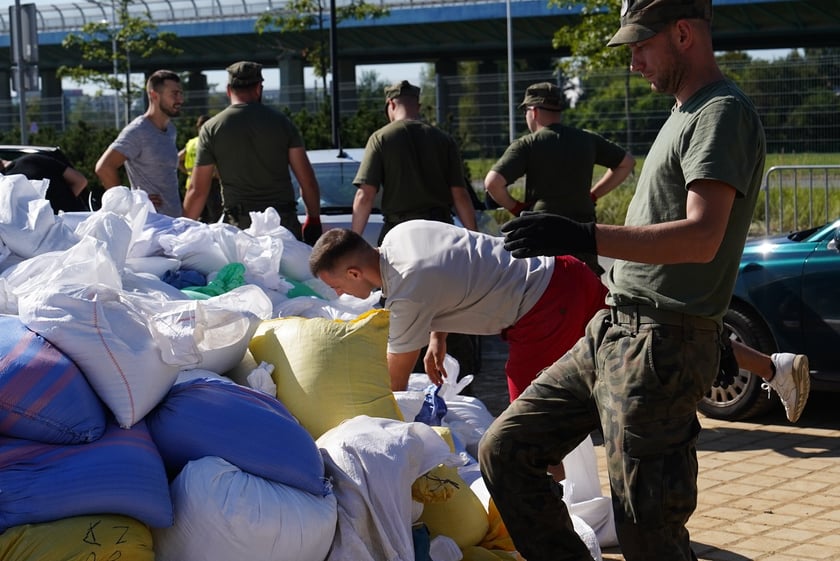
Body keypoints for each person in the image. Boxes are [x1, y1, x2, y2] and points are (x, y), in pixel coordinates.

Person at [476, 2, 808, 560]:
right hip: (614, 328)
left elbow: (702, 237)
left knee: (647, 533)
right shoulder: (685, 111)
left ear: (683, 34)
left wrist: (583, 234)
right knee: (506, 450)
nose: (633, 63)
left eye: (640, 47)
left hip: (660, 344)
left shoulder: (720, 113)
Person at [309, 221, 607, 401]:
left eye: (336, 286)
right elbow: (456, 265)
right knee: (619, 374)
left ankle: (551, 487)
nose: (339, 294)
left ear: (354, 273)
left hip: (546, 308)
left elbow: (395, 383)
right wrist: (438, 336)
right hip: (567, 270)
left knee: (529, 424)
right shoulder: (401, 234)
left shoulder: (405, 293)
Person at [484, 81, 636, 275]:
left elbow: (493, 183)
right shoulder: (587, 139)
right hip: (583, 229)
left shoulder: (528, 144)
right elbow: (626, 163)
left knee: (546, 285)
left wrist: (516, 208)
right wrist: (593, 195)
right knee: (584, 283)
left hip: (542, 231)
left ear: (534, 111)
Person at [182, 61, 322, 243]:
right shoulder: (282, 123)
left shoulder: (211, 128)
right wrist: (313, 219)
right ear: (258, 89)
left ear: (228, 90)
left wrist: (182, 232)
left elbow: (198, 190)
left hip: (239, 228)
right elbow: (308, 182)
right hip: (282, 225)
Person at [351, 80, 477, 245]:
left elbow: (365, 196)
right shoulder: (444, 140)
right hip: (441, 233)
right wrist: (476, 239)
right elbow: (460, 195)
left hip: (399, 234)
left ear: (391, 104)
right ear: (418, 106)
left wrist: (352, 242)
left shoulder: (381, 138)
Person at [95, 69, 184, 218]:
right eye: (174, 94)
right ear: (154, 95)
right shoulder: (138, 131)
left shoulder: (171, 130)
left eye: (181, 93)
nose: (180, 99)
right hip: (150, 224)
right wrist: (129, 204)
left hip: (174, 221)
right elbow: (104, 167)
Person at [1, 152, 88, 213]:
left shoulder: (31, 161)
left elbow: (80, 181)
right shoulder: (32, 160)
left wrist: (61, 205)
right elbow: (80, 181)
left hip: (68, 224)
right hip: (72, 222)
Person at [179, 114, 222, 223]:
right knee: (215, 218)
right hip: (210, 184)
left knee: (195, 219)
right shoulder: (210, 142)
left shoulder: (191, 143)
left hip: (191, 185)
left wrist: (187, 172)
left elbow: (177, 159)